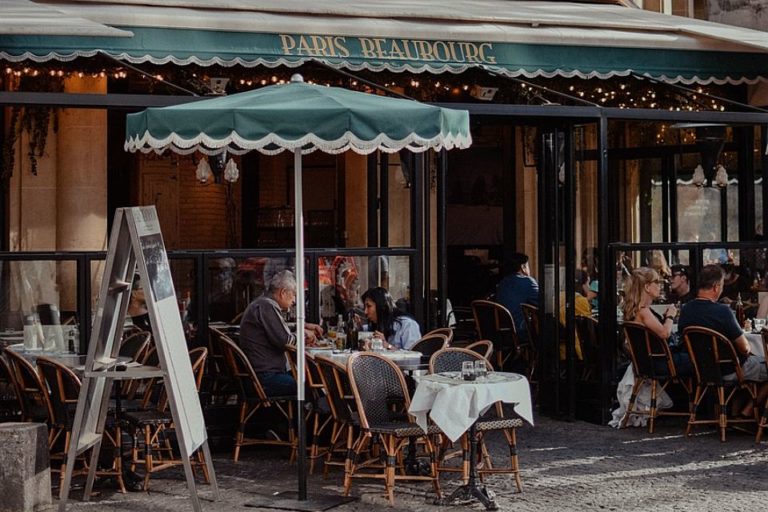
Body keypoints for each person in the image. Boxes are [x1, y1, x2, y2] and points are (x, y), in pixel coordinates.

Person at [678, 264, 768, 413]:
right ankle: (748, 412)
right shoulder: (722, 312)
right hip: (729, 370)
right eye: (721, 286)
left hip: (701, 369)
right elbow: (745, 348)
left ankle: (735, 412)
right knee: (757, 365)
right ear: (715, 286)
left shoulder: (686, 310)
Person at [238, 270, 323, 397]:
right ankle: (319, 415)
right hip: (265, 378)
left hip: (260, 374)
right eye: (294, 295)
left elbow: (278, 327)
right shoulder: (267, 306)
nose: (294, 300)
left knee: (312, 379)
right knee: (313, 386)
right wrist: (304, 334)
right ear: (283, 292)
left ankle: (315, 413)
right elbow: (285, 340)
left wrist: (302, 326)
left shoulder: (263, 303)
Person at [622, 267, 691, 376]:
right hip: (659, 363)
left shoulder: (638, 310)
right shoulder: (643, 311)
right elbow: (664, 333)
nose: (660, 286)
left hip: (648, 362)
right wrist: (670, 317)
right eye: (657, 282)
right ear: (647, 287)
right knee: (697, 359)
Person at [496, 252, 539, 342]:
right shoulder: (528, 282)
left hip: (502, 331)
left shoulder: (503, 282)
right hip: (521, 330)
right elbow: (543, 303)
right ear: (523, 267)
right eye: (528, 266)